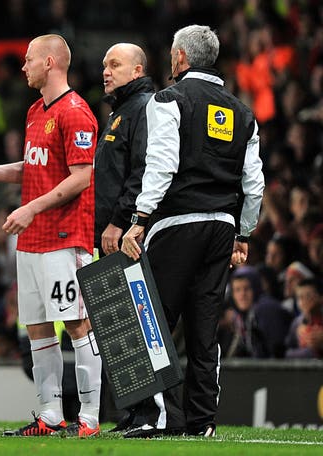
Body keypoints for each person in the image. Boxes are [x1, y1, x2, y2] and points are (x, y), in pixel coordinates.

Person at [0, 34, 102, 438]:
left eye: (29, 60)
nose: (24, 67)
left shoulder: (77, 112)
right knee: (36, 327)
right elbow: (32, 167)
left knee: (76, 324)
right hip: (32, 241)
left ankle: (88, 419)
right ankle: (50, 415)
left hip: (65, 237)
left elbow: (82, 177)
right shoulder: (36, 111)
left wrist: (32, 207)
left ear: (50, 62)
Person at [121, 25, 265, 438]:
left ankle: (161, 416)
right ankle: (202, 422)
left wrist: (140, 218)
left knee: (155, 321)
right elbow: (253, 184)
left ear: (180, 58)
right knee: (205, 327)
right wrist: (244, 233)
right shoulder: (243, 112)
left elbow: (162, 164)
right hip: (221, 227)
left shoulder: (169, 99)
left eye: (171, 54)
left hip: (175, 222)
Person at [92, 42, 155, 432]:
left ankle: (149, 413)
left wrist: (119, 221)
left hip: (127, 235)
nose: (105, 71)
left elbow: (142, 170)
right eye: (103, 64)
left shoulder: (143, 107)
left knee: (137, 323)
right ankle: (134, 413)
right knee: (122, 327)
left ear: (137, 70)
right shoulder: (120, 112)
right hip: (110, 234)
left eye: (114, 64)